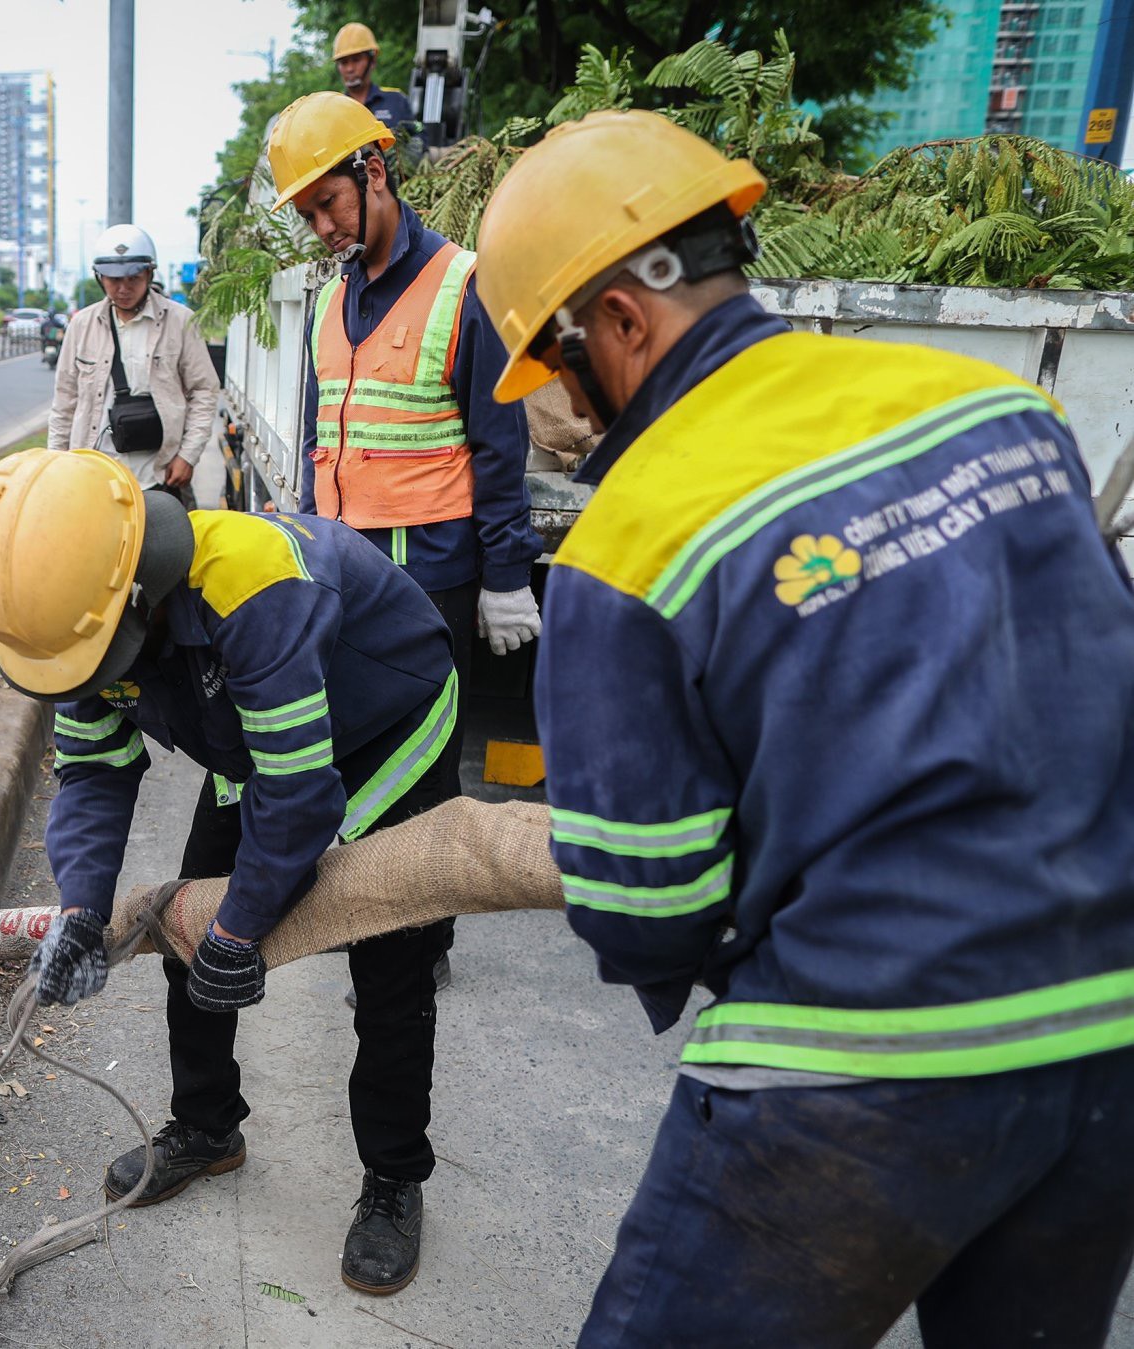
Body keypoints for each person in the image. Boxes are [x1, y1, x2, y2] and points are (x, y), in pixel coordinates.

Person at [475, 109, 1134, 1346]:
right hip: (1110, 1033)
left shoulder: (629, 540)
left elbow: (646, 907)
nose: (559, 407)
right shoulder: (993, 405)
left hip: (856, 1065)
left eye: (556, 366)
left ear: (621, 320)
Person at [0, 448, 461, 1296]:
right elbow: (93, 772)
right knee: (184, 932)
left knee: (389, 966)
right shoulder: (80, 608)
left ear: (139, 595)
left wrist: (243, 927)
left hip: (385, 723)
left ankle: (393, 1178)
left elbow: (300, 795)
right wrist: (81, 910)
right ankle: (205, 1125)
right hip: (257, 737)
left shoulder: (257, 587)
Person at [269, 92, 544, 767]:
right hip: (342, 570)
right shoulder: (330, 300)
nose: (322, 226)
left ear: (373, 173)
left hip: (429, 579)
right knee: (347, 761)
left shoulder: (462, 284)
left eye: (328, 202)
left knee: (421, 768)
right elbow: (318, 442)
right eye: (307, 215)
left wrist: (506, 576)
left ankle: (430, 875)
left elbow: (498, 445)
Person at [47, 225, 220, 502]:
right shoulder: (82, 325)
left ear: (149, 273)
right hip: (93, 477)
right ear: (99, 278)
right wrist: (55, 463)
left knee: (165, 544)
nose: (123, 288)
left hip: (159, 476)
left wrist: (188, 455)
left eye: (133, 279)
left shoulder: (180, 322)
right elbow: (65, 400)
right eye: (113, 280)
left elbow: (204, 391)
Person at [331, 22, 415, 134]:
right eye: (344, 62)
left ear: (373, 60)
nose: (350, 68)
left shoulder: (396, 100)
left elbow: (419, 138)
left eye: (356, 60)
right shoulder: (334, 110)